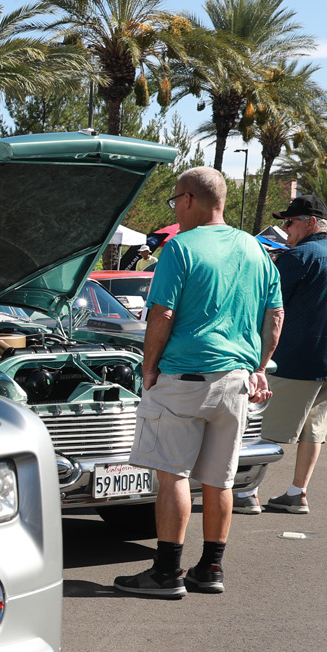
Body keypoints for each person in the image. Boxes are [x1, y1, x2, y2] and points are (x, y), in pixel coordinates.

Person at [114, 166, 282, 599]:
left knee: (173, 475)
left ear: (188, 199)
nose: (176, 208)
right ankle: (210, 568)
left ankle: (167, 571)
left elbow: (162, 313)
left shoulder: (180, 247)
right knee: (219, 480)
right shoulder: (255, 248)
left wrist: (149, 368)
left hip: (185, 377)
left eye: (175, 200)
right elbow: (276, 315)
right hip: (236, 380)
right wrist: (260, 366)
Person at [228, 197, 327, 518]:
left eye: (290, 222)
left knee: (259, 428)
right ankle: (297, 493)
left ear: (310, 223)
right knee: (314, 432)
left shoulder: (297, 257)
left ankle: (246, 492)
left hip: (292, 360)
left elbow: (266, 305)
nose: (285, 229)